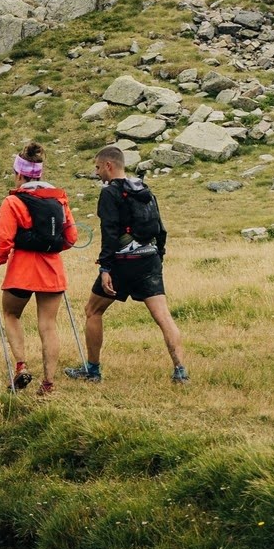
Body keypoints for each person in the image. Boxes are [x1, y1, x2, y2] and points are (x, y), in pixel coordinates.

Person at [74, 146, 192, 385]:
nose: (96, 172)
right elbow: (160, 228)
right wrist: (159, 257)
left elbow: (109, 232)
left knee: (92, 311)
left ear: (109, 165)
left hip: (122, 263)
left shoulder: (110, 193)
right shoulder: (143, 188)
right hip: (149, 258)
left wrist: (105, 268)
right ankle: (180, 370)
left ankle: (93, 371)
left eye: (97, 167)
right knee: (163, 316)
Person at [0, 144, 76, 395]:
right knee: (48, 325)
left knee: (11, 315)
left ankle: (21, 366)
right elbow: (72, 237)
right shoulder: (59, 198)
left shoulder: (13, 201)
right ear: (40, 174)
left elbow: (4, 240)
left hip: (22, 271)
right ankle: (48, 384)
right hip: (52, 270)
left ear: (19, 174)